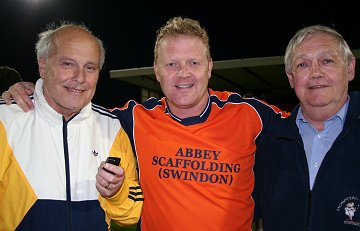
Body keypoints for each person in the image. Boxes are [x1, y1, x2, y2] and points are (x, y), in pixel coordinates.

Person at [2, 17, 289, 230]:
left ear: (210, 67)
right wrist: (32, 91)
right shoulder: (133, 120)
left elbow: (313, 128)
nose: (183, 74)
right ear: (156, 71)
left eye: (193, 63)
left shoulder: (251, 115)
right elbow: (71, 104)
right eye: (172, 64)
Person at [0, 22, 142, 231]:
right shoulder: (5, 119)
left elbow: (130, 215)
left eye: (90, 67)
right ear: (43, 66)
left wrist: (116, 193)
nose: (80, 78)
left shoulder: (113, 128)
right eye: (68, 64)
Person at [253, 25, 359, 230]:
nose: (315, 73)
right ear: (291, 78)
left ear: (350, 68)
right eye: (303, 65)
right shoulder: (268, 141)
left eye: (327, 61)